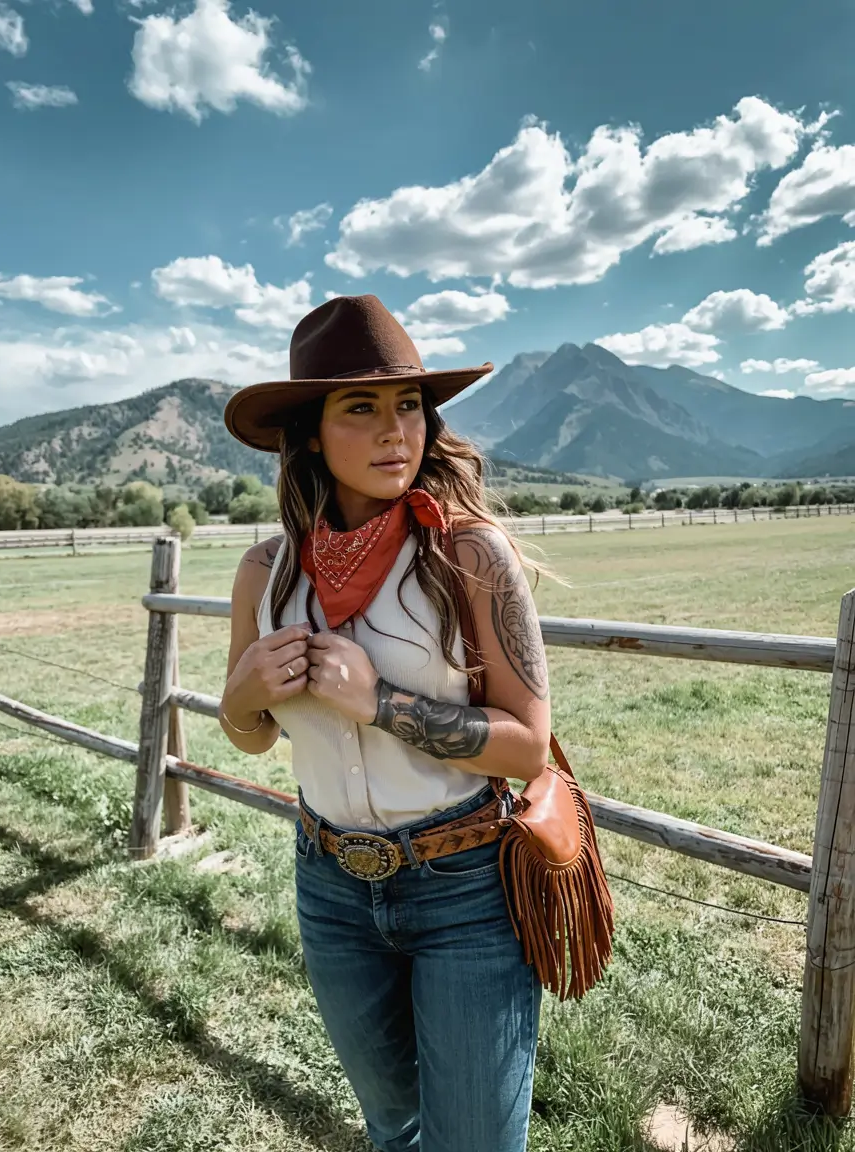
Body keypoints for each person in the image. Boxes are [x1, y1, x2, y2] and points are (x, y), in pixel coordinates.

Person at [220, 294, 552, 1152]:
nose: (394, 431)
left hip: (467, 887)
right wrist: (242, 694)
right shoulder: (265, 574)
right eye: (360, 409)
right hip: (330, 886)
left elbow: (527, 749)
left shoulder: (468, 555)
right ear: (311, 433)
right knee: (392, 1124)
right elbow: (253, 734)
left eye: (407, 405)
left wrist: (383, 705)